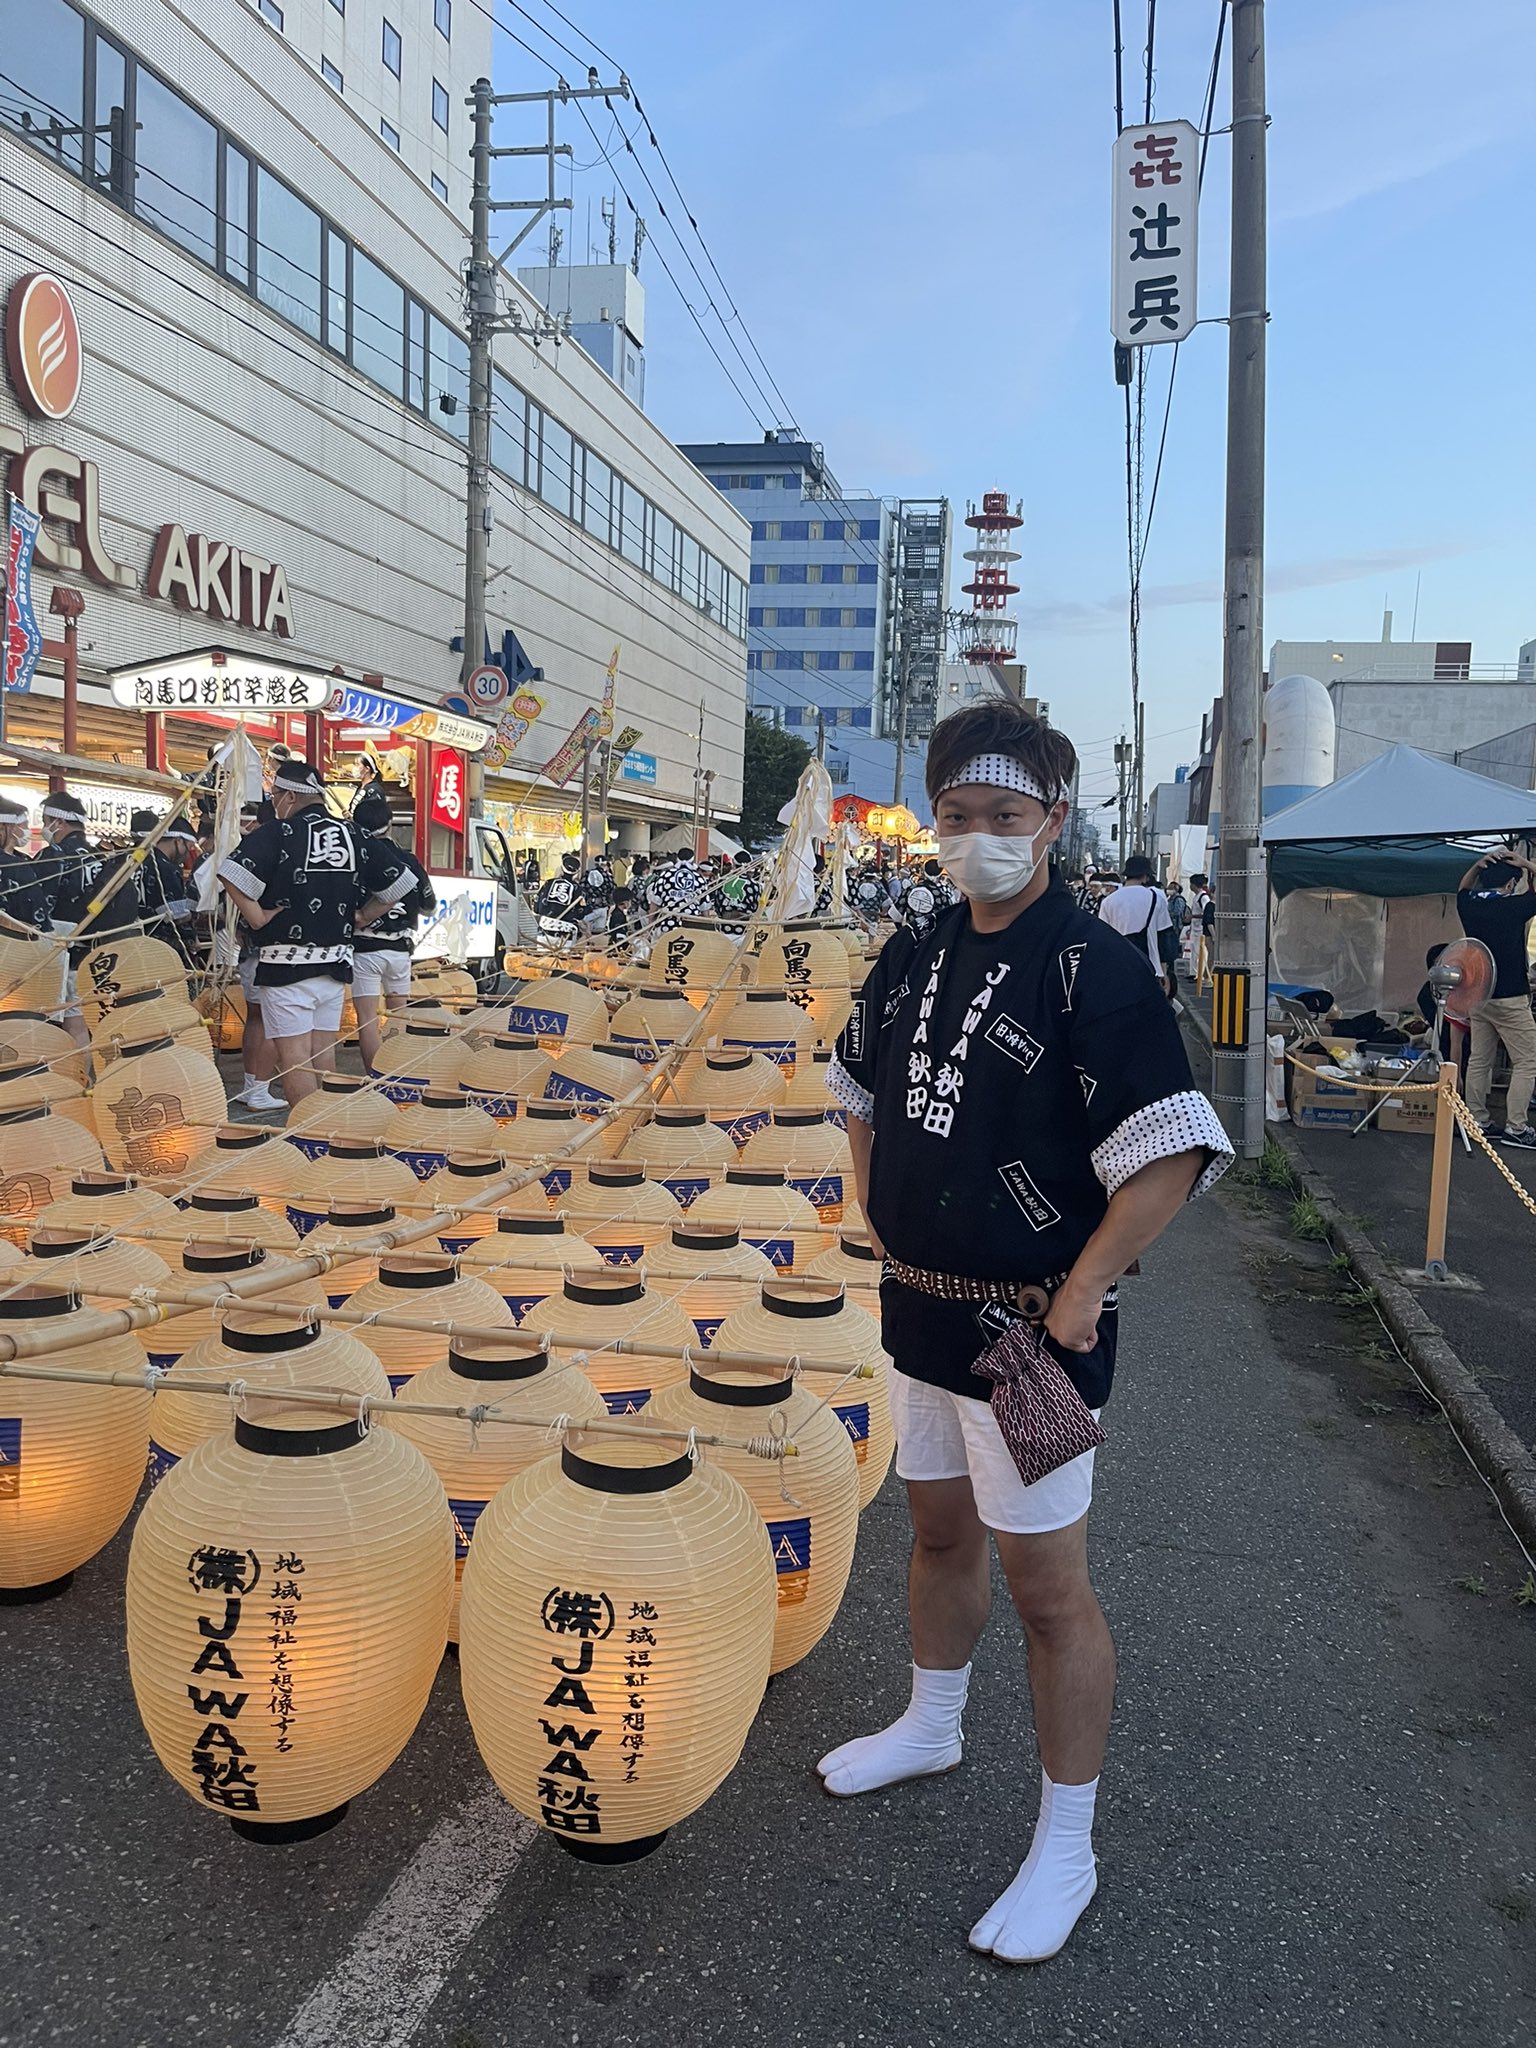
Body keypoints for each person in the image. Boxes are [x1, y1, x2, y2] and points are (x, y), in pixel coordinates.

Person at [818, 697, 1231, 1963]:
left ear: (1053, 819)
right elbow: (860, 1085)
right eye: (957, 815)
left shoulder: (1088, 964)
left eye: (1005, 815)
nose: (978, 836)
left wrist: (1088, 1283)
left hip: (1031, 1340)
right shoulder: (916, 949)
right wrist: (869, 1194)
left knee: (1051, 1588)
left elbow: (1168, 1146)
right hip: (921, 1315)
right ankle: (931, 1720)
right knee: (935, 1527)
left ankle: (1068, 1841)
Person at [216, 759, 411, 1105]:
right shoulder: (353, 834)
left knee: (295, 1063)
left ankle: (308, 1139)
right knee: (323, 1059)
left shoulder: (279, 832)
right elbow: (402, 882)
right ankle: (328, 1133)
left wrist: (257, 917)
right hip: (335, 965)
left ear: (290, 796)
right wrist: (364, 915)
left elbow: (230, 872)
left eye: (275, 794)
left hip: (284, 966)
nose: (273, 801)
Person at [33, 792, 137, 1050]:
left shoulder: (55, 856)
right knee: (78, 1022)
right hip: (92, 948)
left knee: (49, 1025)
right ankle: (83, 1079)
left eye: (47, 820)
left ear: (60, 822)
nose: (46, 826)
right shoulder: (100, 856)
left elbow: (39, 906)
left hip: (56, 948)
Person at [349, 788, 436, 1071]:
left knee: (368, 1022)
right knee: (401, 1020)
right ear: (391, 823)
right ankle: (401, 1075)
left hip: (365, 948)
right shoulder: (409, 860)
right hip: (400, 949)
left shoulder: (356, 860)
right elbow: (429, 905)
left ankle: (375, 1078)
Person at [1456, 848, 1536, 1145]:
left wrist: (1477, 865)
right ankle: (1517, 1127)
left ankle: (1477, 1119)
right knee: (1527, 1061)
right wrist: (1528, 863)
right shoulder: (1514, 908)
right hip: (1510, 997)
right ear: (1512, 883)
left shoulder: (1470, 906)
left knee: (1479, 1060)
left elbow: (1462, 887)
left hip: (1479, 994)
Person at [224, 799, 283, 1112]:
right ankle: (259, 1089)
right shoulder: (272, 850)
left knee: (257, 1018)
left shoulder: (243, 849)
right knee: (275, 1021)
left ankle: (251, 1086)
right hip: (267, 948)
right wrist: (261, 917)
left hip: (249, 946)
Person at [1097, 855, 1175, 996]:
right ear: (1145, 876)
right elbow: (1163, 937)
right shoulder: (1156, 898)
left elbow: (1102, 939)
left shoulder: (1108, 901)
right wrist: (1164, 971)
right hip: (1149, 965)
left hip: (1118, 966)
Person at [0, 798, 53, 935]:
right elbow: (34, 909)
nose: (27, 830)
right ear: (9, 827)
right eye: (24, 825)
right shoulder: (18, 867)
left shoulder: (22, 861)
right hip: (12, 939)